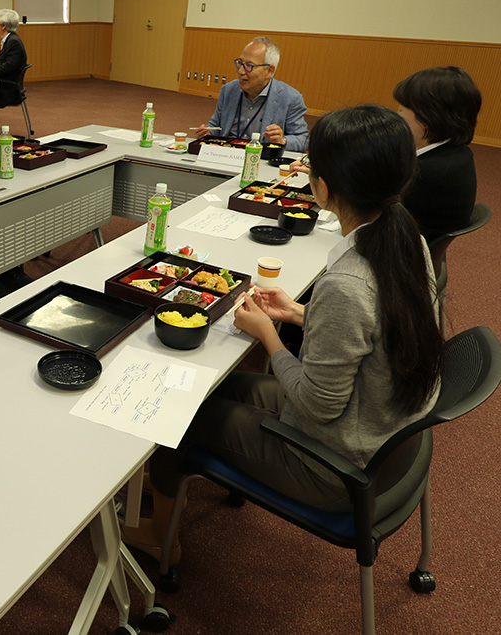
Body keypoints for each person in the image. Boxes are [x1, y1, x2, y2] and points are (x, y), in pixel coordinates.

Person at [123, 105, 443, 564]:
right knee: (219, 387)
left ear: (324, 187)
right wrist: (298, 313)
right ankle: (165, 478)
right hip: (381, 431)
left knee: (181, 413)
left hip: (336, 463)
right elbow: (377, 326)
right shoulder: (404, 234)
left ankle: (161, 536)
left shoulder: (349, 282)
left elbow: (317, 404)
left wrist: (268, 336)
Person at [393, 66, 481, 242]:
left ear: (428, 117)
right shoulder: (458, 154)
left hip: (399, 253)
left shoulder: (428, 173)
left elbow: (376, 217)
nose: (397, 115)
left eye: (402, 109)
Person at [194, 37, 309, 153]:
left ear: (269, 71)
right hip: (227, 155)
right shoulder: (228, 91)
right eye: (240, 63)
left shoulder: (290, 98)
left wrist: (282, 140)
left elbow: (304, 140)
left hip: (260, 160)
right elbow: (215, 126)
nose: (240, 71)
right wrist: (207, 132)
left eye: (249, 66)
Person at [0, 9, 27, 108]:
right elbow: (2, 64)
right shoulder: (10, 40)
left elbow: (7, 66)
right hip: (6, 85)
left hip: (8, 90)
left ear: (3, 26)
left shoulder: (13, 42)